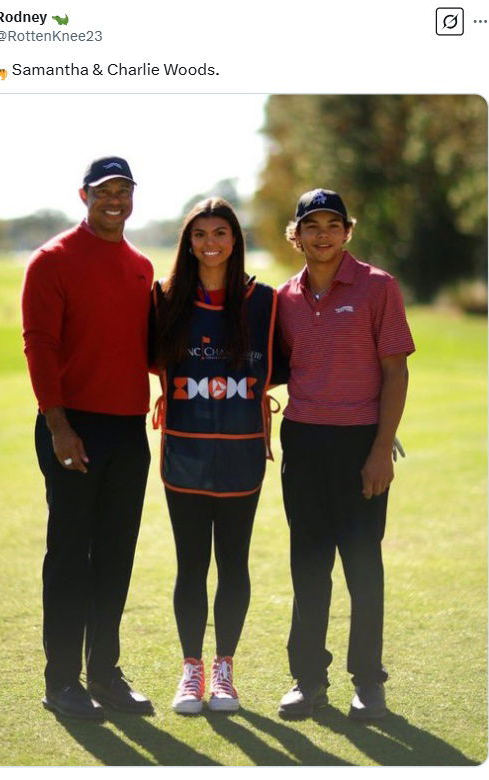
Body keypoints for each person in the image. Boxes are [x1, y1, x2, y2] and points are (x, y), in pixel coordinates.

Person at [22, 156, 154, 721]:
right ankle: (61, 682)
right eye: (105, 191)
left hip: (128, 430)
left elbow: (149, 348)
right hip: (72, 426)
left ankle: (104, 674)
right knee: (72, 558)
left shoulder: (142, 267)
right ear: (84, 195)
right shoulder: (52, 260)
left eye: (123, 191)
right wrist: (58, 427)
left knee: (116, 558)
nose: (115, 200)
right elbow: (40, 347)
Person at [276, 188, 415, 721]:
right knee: (308, 568)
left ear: (347, 232)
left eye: (333, 225)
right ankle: (308, 681)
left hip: (360, 445)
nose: (323, 234)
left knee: (362, 567)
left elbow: (395, 370)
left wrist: (382, 448)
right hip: (304, 443)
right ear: (297, 235)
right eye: (312, 226)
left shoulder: (379, 286)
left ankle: (368, 684)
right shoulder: (285, 297)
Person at [152, 198, 277, 715]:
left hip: (241, 455)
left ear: (235, 239)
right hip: (184, 453)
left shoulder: (263, 301)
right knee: (190, 566)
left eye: (220, 233)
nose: (210, 243)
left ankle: (224, 671)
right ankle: (190, 671)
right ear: (188, 242)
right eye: (199, 234)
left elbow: (292, 362)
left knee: (233, 564)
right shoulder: (164, 299)